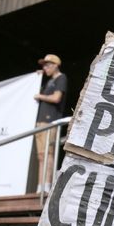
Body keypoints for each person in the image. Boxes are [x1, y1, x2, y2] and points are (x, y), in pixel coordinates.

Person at [34, 54, 68, 193]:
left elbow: (56, 98)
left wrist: (40, 96)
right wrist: (38, 76)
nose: (45, 68)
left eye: (47, 65)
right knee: (41, 155)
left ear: (55, 65)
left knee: (48, 153)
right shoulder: (47, 82)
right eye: (44, 65)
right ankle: (40, 186)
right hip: (40, 122)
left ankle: (47, 185)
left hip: (50, 120)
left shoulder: (61, 78)